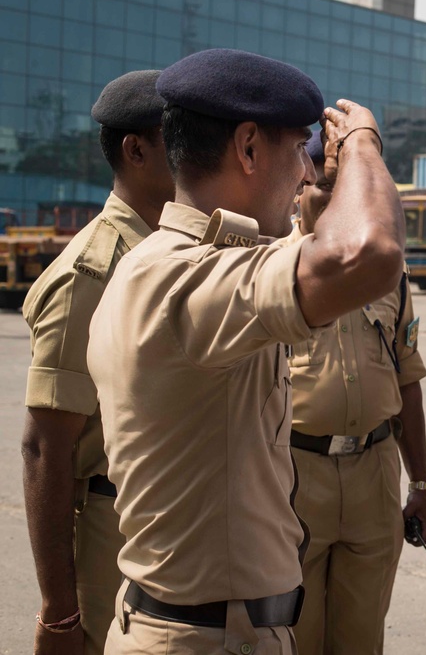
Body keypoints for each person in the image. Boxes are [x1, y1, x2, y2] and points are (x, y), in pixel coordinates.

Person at [86, 49, 404, 654]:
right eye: (297, 153)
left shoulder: (159, 264)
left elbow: (301, 247)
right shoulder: (189, 280)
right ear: (249, 148)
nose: (307, 176)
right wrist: (363, 144)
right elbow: (369, 254)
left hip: (207, 626)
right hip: (206, 637)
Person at [20, 70, 173, 655]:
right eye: (176, 137)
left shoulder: (171, 251)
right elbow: (44, 446)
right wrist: (59, 612)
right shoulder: (92, 272)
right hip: (110, 526)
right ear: (136, 150)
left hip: (164, 519)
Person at [284, 132, 426, 655]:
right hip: (295, 477)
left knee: (362, 637)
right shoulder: (271, 271)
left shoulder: (388, 275)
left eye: (344, 183)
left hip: (373, 472)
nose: (334, 195)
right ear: (299, 187)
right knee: (293, 635)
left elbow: (406, 379)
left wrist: (422, 483)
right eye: (323, 184)